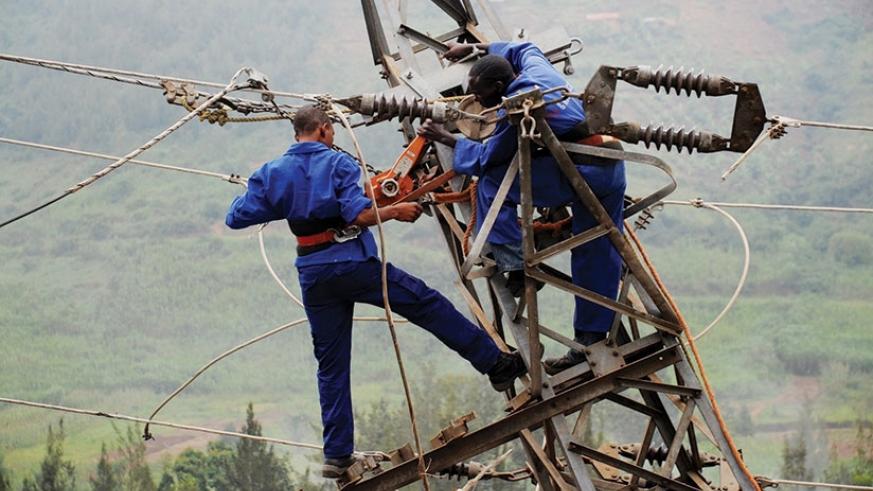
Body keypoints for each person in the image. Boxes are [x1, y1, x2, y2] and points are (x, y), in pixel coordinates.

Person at [225, 105, 526, 479]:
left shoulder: (272, 173)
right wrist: (397, 210)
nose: (333, 136)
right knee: (424, 302)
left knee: (331, 364)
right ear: (322, 130)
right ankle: (495, 363)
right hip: (352, 263)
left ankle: (336, 456)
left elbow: (236, 216)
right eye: (331, 130)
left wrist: (279, 195)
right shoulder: (338, 165)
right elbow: (357, 215)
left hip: (314, 273)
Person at [419, 41, 626, 375]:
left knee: (492, 184)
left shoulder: (515, 108)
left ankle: (513, 259)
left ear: (500, 87)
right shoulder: (536, 70)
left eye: (481, 93)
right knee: (596, 251)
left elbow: (487, 159)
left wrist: (447, 138)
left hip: (583, 174)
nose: (477, 100)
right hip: (611, 165)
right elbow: (524, 47)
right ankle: (591, 338)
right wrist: (476, 47)